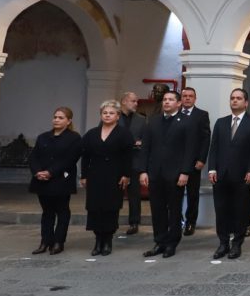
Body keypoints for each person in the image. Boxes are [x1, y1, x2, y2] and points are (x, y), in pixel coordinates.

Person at [137, 90, 198, 258]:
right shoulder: (153, 122)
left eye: (171, 99)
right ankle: (160, 241)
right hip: (155, 173)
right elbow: (145, 148)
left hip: (175, 173)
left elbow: (190, 150)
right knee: (157, 209)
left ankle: (172, 243)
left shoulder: (187, 122)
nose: (167, 102)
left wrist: (185, 172)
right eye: (165, 99)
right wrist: (143, 171)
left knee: (174, 209)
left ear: (178, 103)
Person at [207, 88, 250, 260]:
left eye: (239, 98)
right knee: (221, 209)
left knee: (240, 210)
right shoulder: (221, 122)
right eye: (232, 98)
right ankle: (223, 243)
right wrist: (212, 169)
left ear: (246, 103)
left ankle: (237, 244)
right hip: (221, 175)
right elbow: (214, 148)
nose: (235, 101)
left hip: (242, 174)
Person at [79, 100, 134, 257]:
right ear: (101, 115)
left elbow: (128, 157)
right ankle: (98, 241)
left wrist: (126, 175)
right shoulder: (91, 133)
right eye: (105, 113)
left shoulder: (124, 133)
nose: (107, 115)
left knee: (110, 208)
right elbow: (85, 156)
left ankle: (108, 241)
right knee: (95, 208)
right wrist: (84, 175)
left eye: (111, 113)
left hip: (114, 175)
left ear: (117, 116)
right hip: (95, 175)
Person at [28, 107, 81, 255]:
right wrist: (37, 172)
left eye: (61, 118)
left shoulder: (74, 138)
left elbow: (70, 159)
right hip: (42, 180)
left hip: (61, 179)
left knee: (62, 211)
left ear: (69, 121)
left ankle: (59, 241)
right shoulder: (43, 137)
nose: (56, 120)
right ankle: (45, 241)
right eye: (55, 117)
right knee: (47, 212)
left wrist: (51, 172)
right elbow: (34, 157)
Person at [178, 87, 211, 236]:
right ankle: (177, 220)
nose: (187, 98)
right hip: (175, 162)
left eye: (190, 96)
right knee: (175, 194)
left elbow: (205, 139)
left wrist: (201, 159)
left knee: (192, 194)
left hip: (193, 162)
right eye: (184, 96)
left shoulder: (201, 115)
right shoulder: (175, 114)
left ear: (195, 99)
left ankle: (191, 222)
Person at [117, 91, 147, 235]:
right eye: (133, 101)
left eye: (136, 101)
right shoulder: (113, 117)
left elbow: (146, 139)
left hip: (134, 159)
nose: (136, 104)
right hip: (116, 160)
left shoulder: (141, 119)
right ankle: (112, 219)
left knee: (134, 194)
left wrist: (141, 142)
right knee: (114, 192)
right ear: (124, 101)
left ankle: (134, 222)